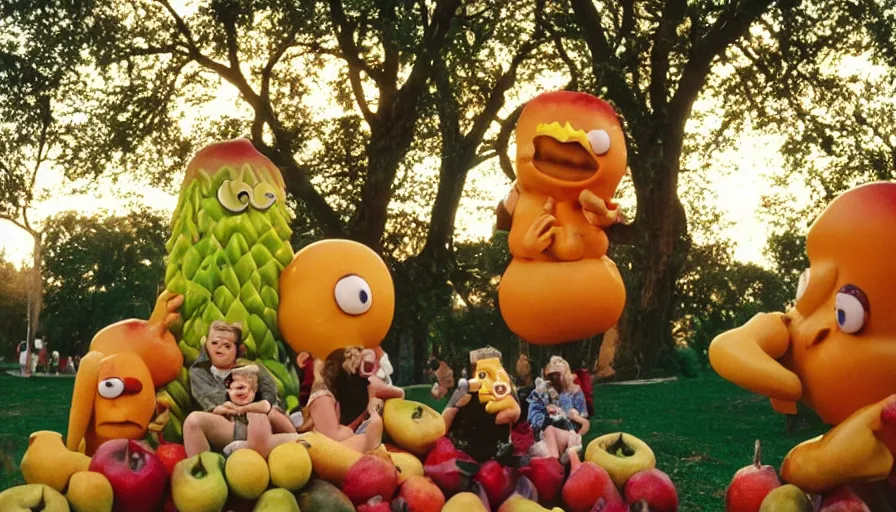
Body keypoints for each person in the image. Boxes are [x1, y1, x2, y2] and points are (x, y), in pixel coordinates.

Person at [183, 321, 296, 456]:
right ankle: (205, 467)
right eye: (214, 343)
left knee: (274, 415)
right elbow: (214, 402)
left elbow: (269, 396)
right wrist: (235, 407)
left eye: (227, 346)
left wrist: (253, 408)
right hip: (231, 426)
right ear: (206, 346)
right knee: (194, 421)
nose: (219, 348)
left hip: (263, 422)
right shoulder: (199, 372)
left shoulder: (254, 368)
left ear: (237, 349)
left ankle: (296, 442)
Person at [299, 346, 404, 452]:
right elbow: (333, 440)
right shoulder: (323, 395)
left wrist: (376, 404)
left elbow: (399, 394)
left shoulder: (369, 385)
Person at [527, 356, 589, 461]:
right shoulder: (544, 390)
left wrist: (574, 419)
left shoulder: (575, 392)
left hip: (567, 433)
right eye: (551, 376)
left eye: (557, 375)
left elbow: (585, 424)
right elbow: (534, 413)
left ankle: (561, 455)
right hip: (547, 434)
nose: (554, 379)